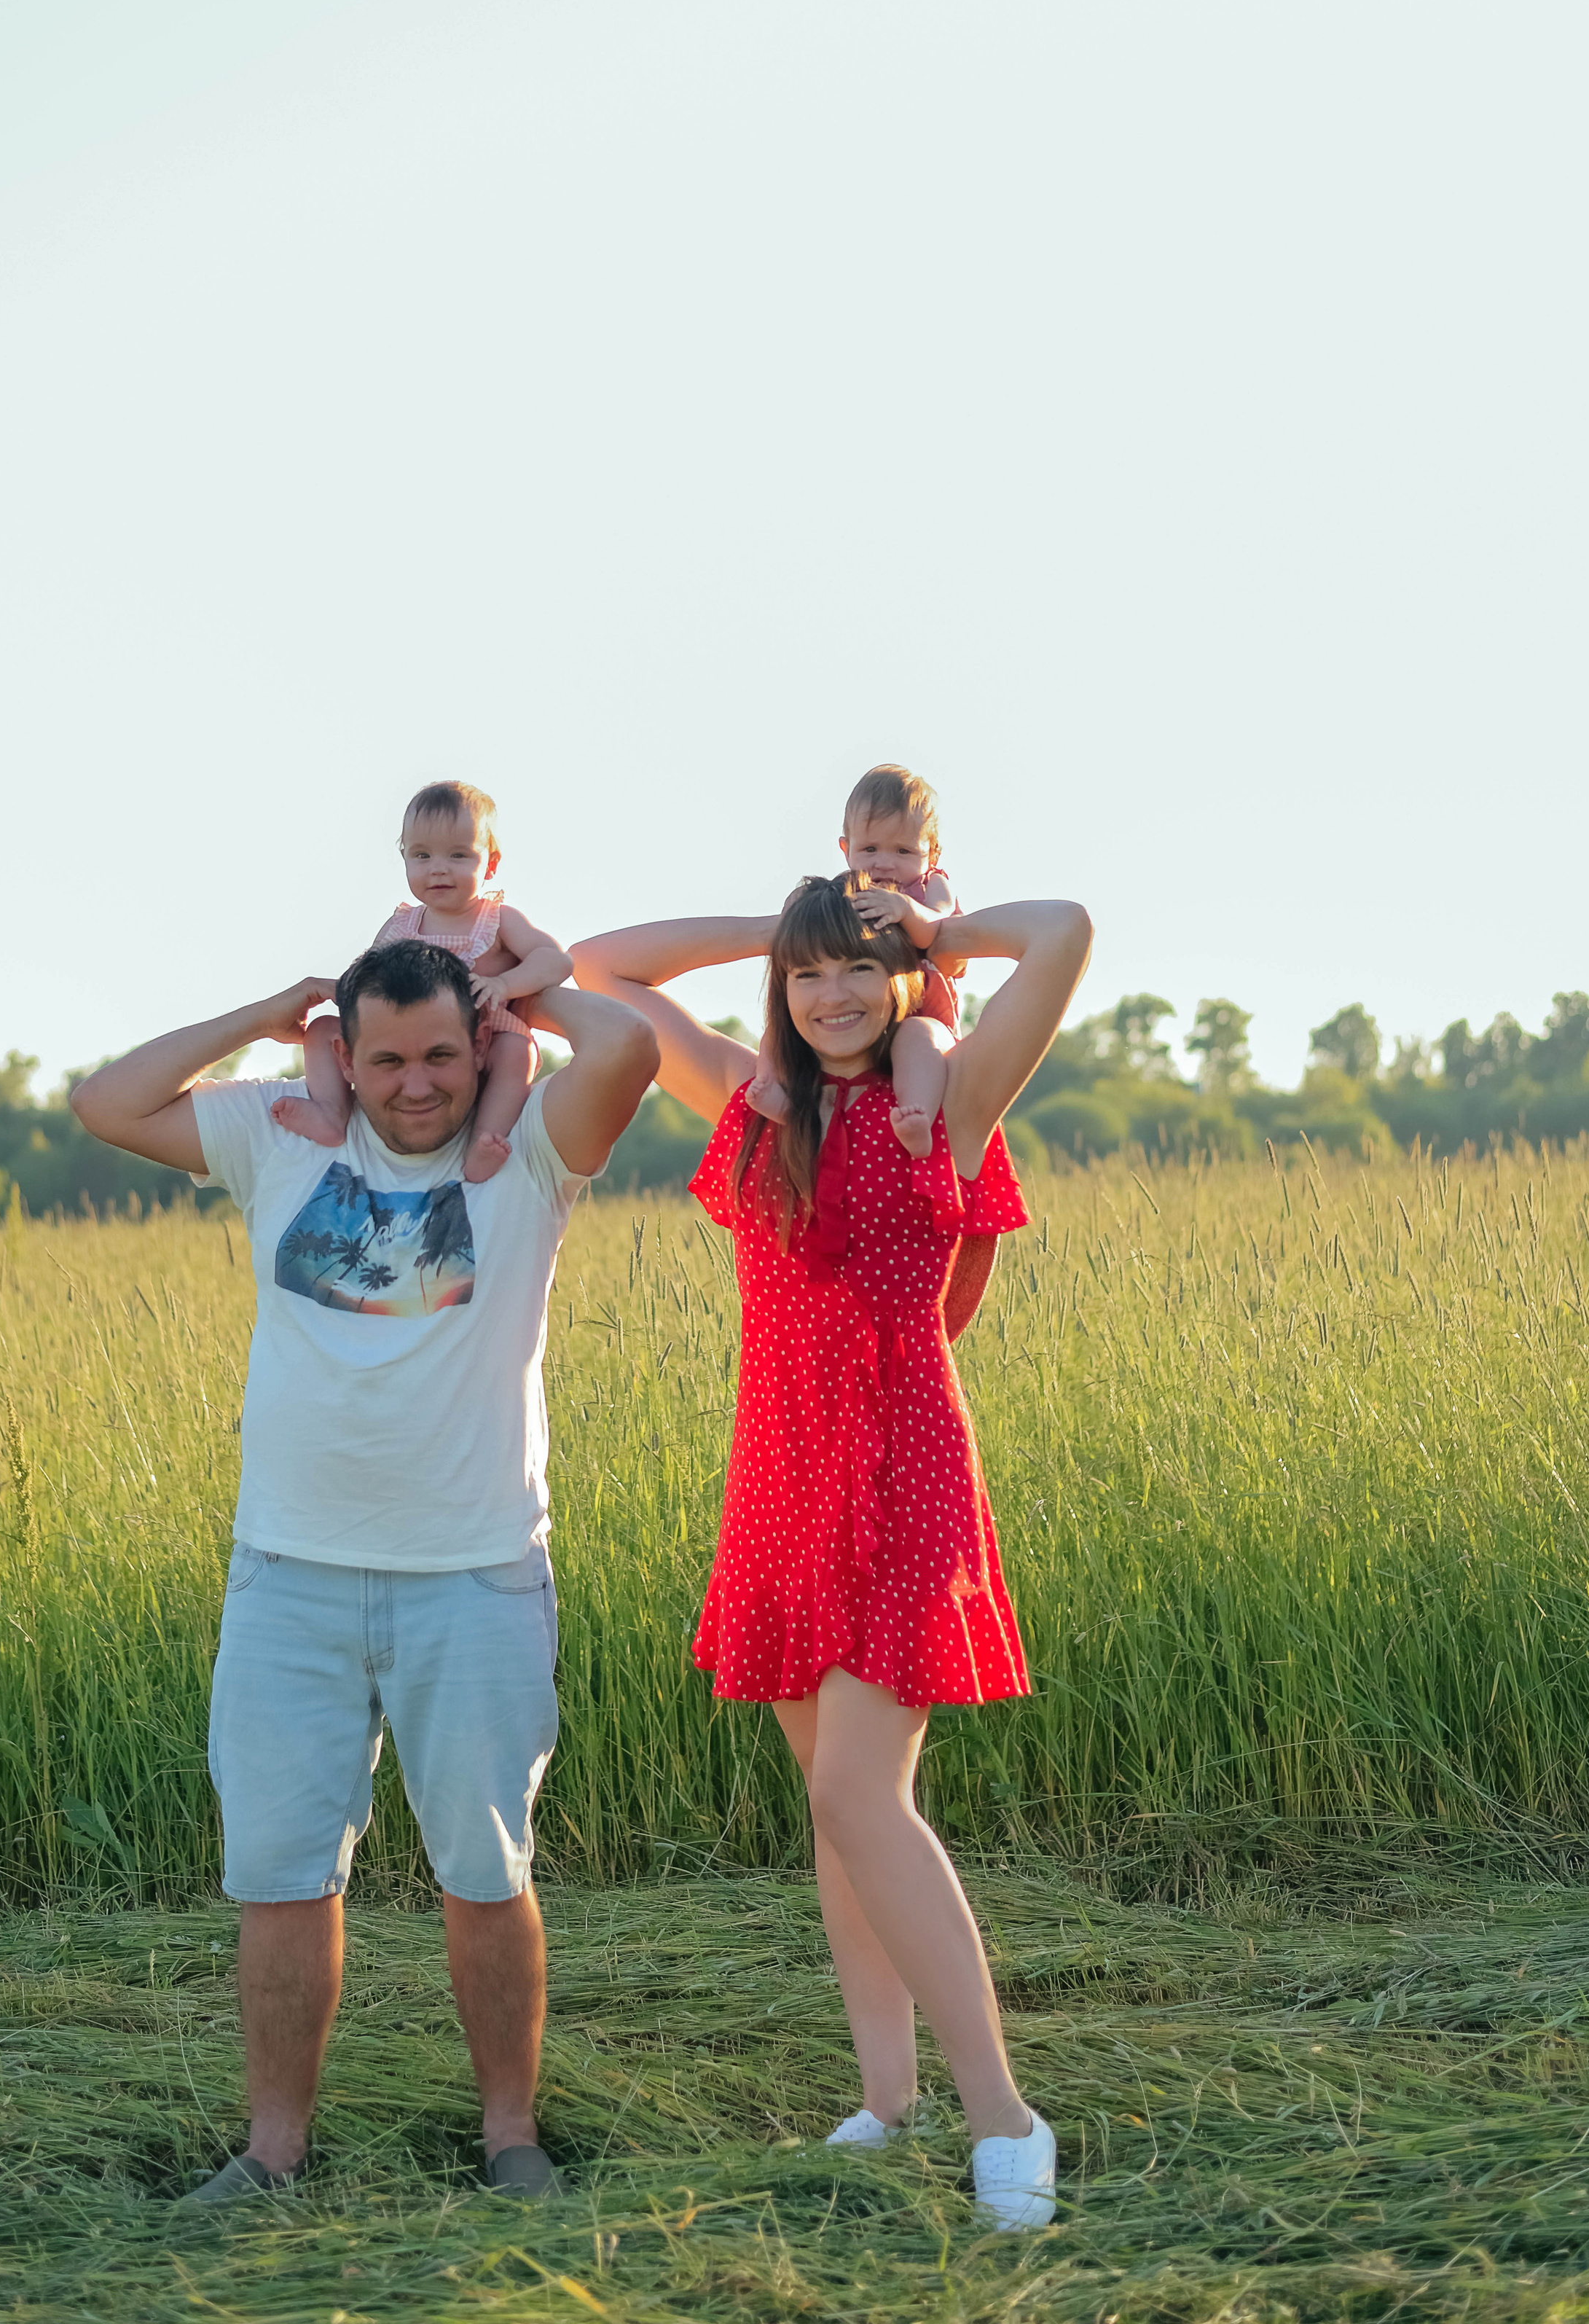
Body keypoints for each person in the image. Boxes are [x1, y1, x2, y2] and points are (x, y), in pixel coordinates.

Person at [70, 941, 658, 2203]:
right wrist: (264, 1013)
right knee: (283, 1880)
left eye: (443, 1053)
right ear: (343, 1050)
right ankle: (273, 2153)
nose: (416, 1084)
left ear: (482, 1042)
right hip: (289, 1578)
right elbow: (106, 1102)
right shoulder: (280, 1133)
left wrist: (528, 987)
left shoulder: (530, 1149)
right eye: (385, 1059)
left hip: (475, 1575)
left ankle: (511, 2138)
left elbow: (628, 1048)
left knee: (486, 1876)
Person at [571, 877, 1091, 2229]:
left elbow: (1063, 933)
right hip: (780, 1480)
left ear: (903, 977)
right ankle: (888, 2100)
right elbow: (603, 967)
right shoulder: (756, 1104)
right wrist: (790, 925)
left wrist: (922, 934)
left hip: (903, 1472)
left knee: (865, 1796)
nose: (834, 996)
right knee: (834, 1806)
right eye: (809, 976)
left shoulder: (951, 1100)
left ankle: (1006, 2117)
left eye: (858, 970)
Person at [272, 780, 571, 1184]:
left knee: (518, 1052)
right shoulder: (401, 924)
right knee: (324, 1029)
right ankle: (330, 1112)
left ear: (491, 863)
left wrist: (505, 984)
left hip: (483, 1030)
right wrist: (342, 988)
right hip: (404, 1040)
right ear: (405, 859)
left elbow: (556, 960)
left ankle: (486, 1138)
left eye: (459, 855)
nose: (438, 868)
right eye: (422, 855)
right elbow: (370, 979)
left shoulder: (497, 920)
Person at [747, 764, 964, 1162]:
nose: (884, 864)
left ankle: (916, 1117)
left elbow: (936, 927)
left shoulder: (929, 886)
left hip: (920, 1015)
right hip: (854, 1023)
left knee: (918, 1040)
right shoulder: (845, 893)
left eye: (903, 851)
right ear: (846, 849)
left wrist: (905, 909)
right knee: (778, 1032)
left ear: (931, 852)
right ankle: (776, 1093)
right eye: (870, 850)